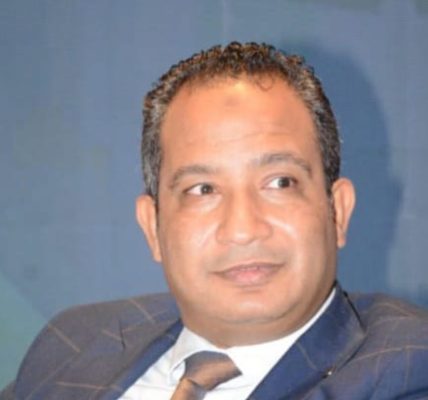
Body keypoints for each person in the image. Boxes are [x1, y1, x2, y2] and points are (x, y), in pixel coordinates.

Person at [2, 42, 428, 400]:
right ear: (152, 227)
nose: (242, 229)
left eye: (279, 182)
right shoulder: (73, 344)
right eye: (202, 189)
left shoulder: (405, 367)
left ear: (338, 212)